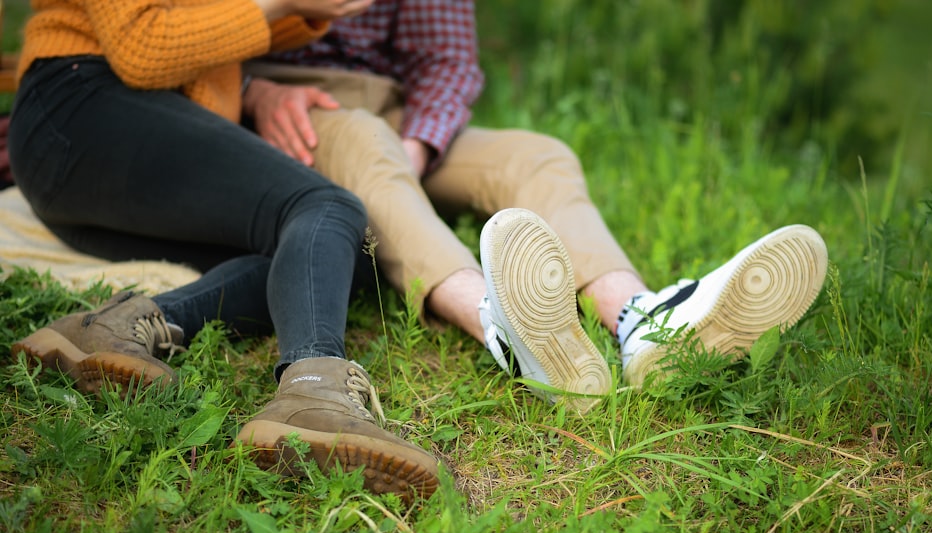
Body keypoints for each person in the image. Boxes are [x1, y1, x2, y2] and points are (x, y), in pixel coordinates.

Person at [240, 0, 829, 413]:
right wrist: (251, 91)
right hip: (290, 108)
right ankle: (500, 328)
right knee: (367, 144)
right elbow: (172, 35)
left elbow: (446, 60)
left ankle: (641, 321)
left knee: (537, 155)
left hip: (394, 112)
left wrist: (416, 151)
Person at [6, 0, 440, 503]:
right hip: (82, 112)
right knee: (324, 206)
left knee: (339, 257)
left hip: (125, 154)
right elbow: (141, 47)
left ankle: (119, 325)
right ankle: (315, 389)